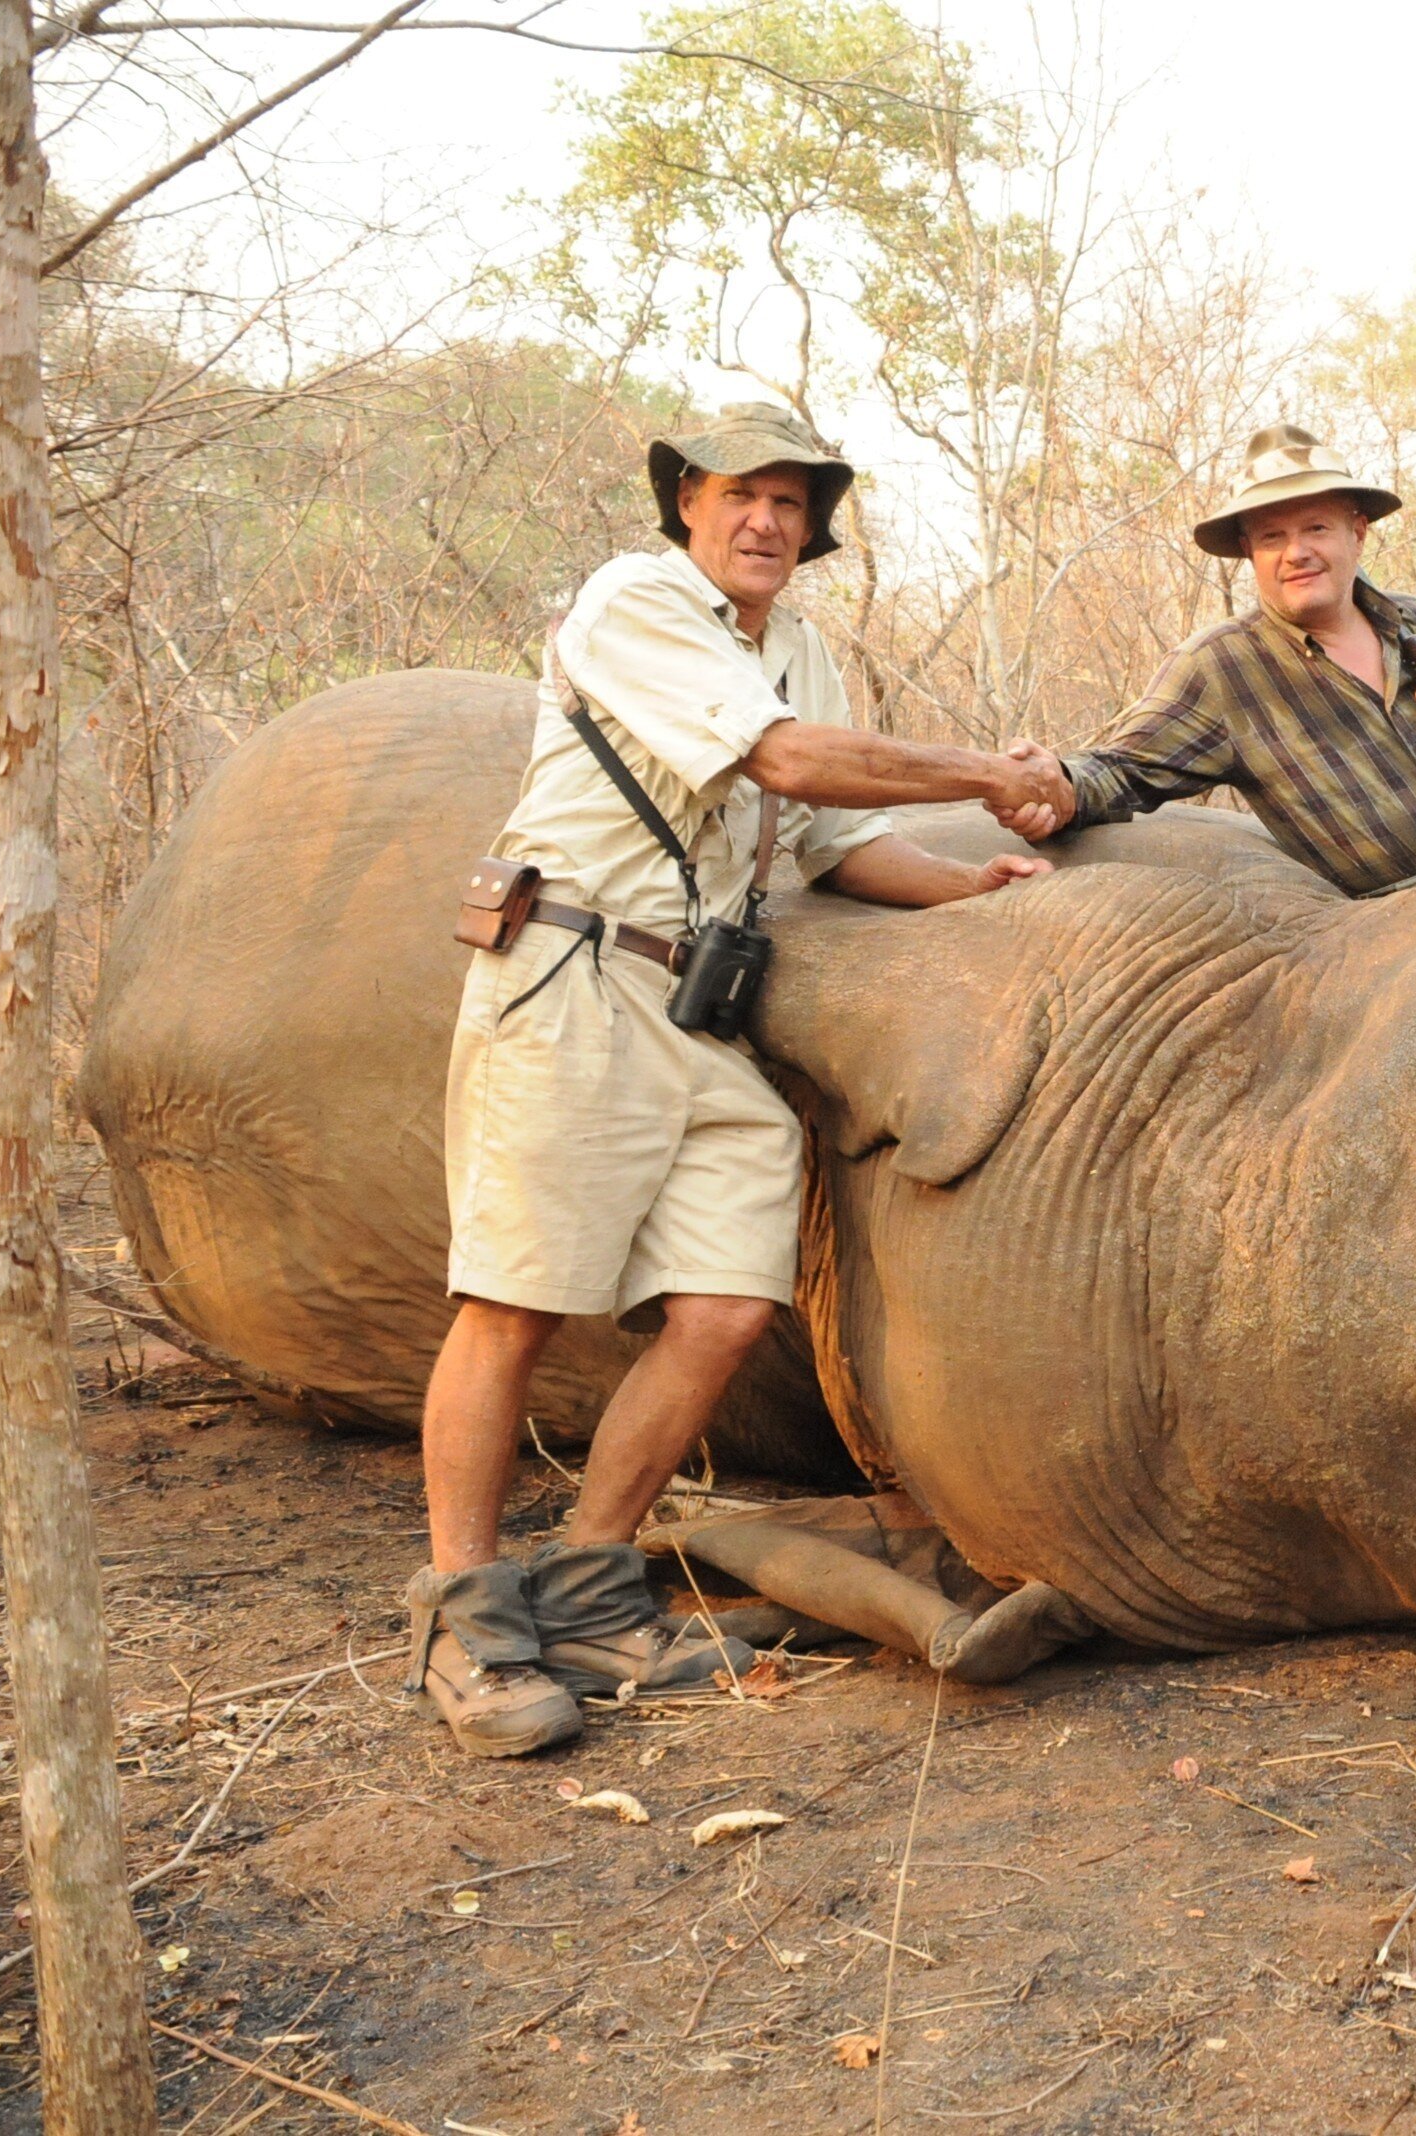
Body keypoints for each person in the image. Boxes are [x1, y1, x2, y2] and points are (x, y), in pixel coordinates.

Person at [418, 404, 1072, 1757]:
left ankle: (596, 1586)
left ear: (814, 523)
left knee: (724, 1307)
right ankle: (465, 1617)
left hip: (706, 1002)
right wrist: (990, 773)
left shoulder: (806, 649)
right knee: (516, 1302)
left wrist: (976, 889)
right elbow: (782, 760)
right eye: (737, 494)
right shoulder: (633, 602)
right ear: (688, 506)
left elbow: (829, 844)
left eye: (789, 500)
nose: (764, 520)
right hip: (573, 975)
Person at [1025, 425, 1416, 901]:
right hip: (1404, 943)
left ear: (1357, 533)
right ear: (1249, 551)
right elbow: (1117, 771)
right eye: (1272, 536)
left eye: (1316, 527)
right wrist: (1053, 783)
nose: (1296, 552)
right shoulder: (1220, 666)